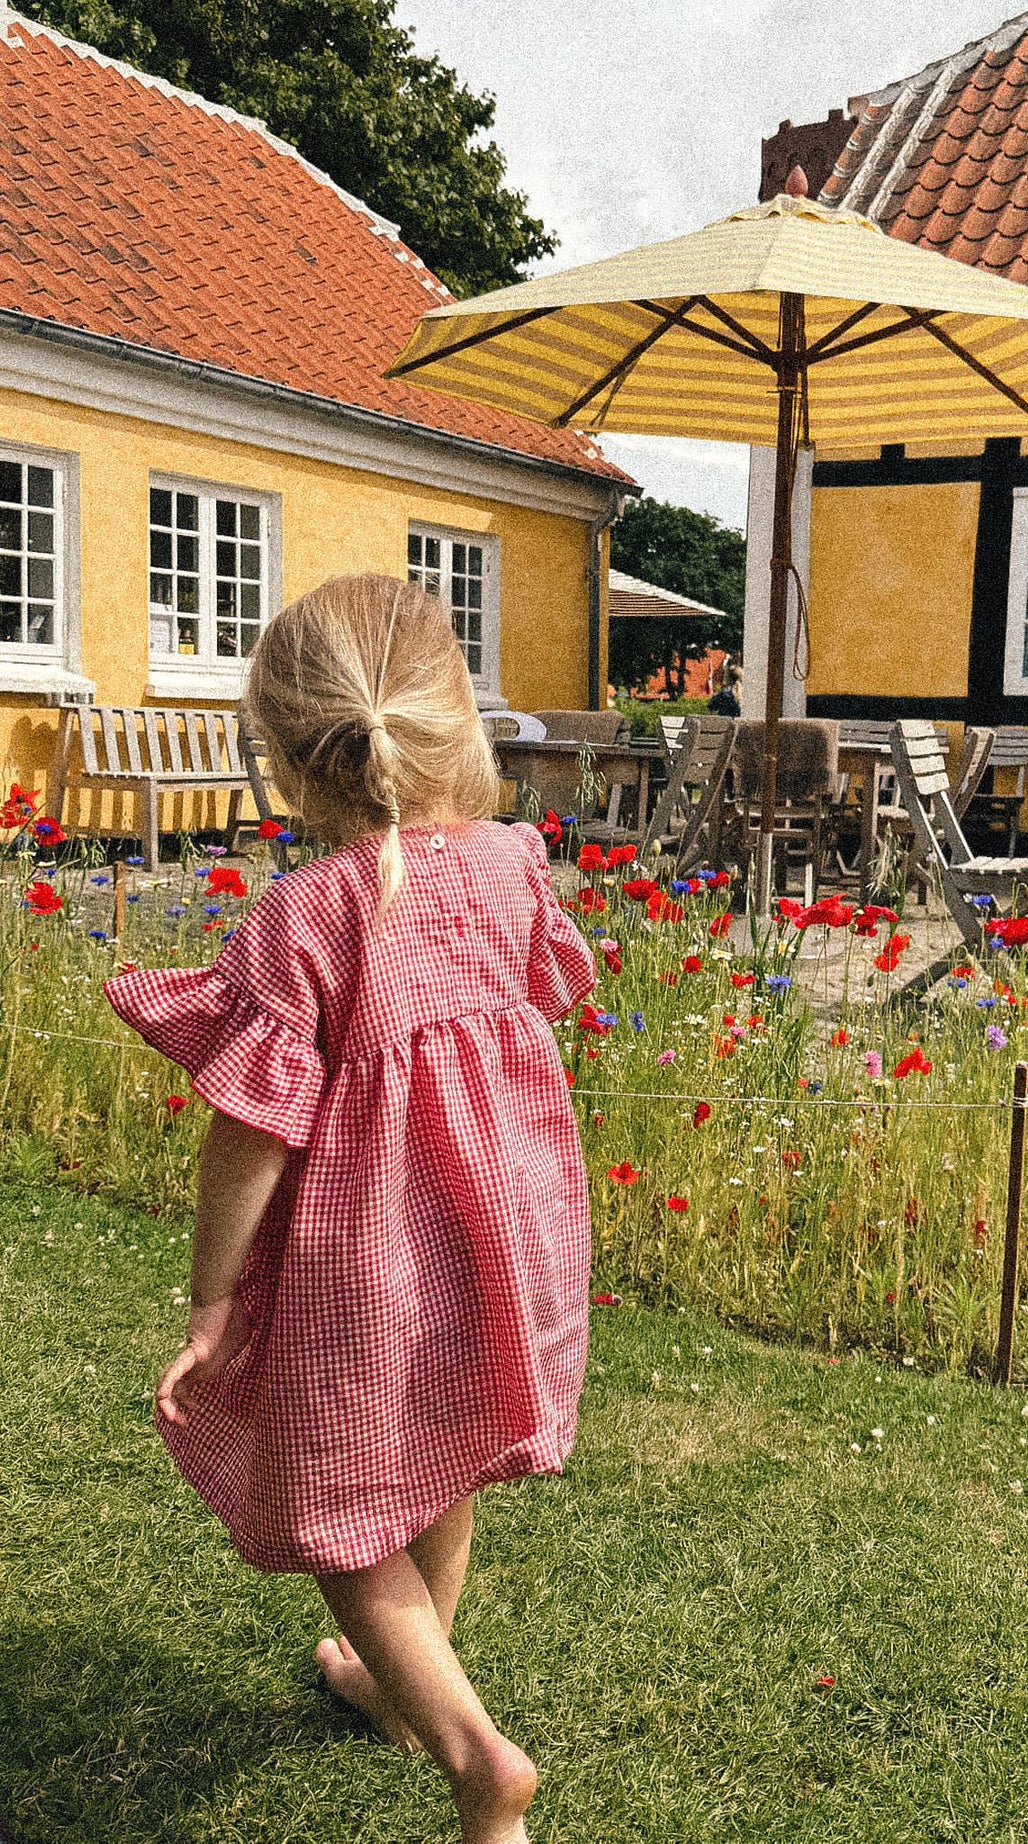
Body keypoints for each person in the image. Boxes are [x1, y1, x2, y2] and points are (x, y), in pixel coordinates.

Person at [106, 574, 595, 1844]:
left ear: (283, 755)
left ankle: (479, 1758)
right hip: (508, 1236)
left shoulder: (303, 916)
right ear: (453, 718)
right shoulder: (510, 863)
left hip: (364, 1256)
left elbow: (252, 1132)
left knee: (330, 1496)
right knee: (440, 1450)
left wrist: (214, 1297)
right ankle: (390, 1684)